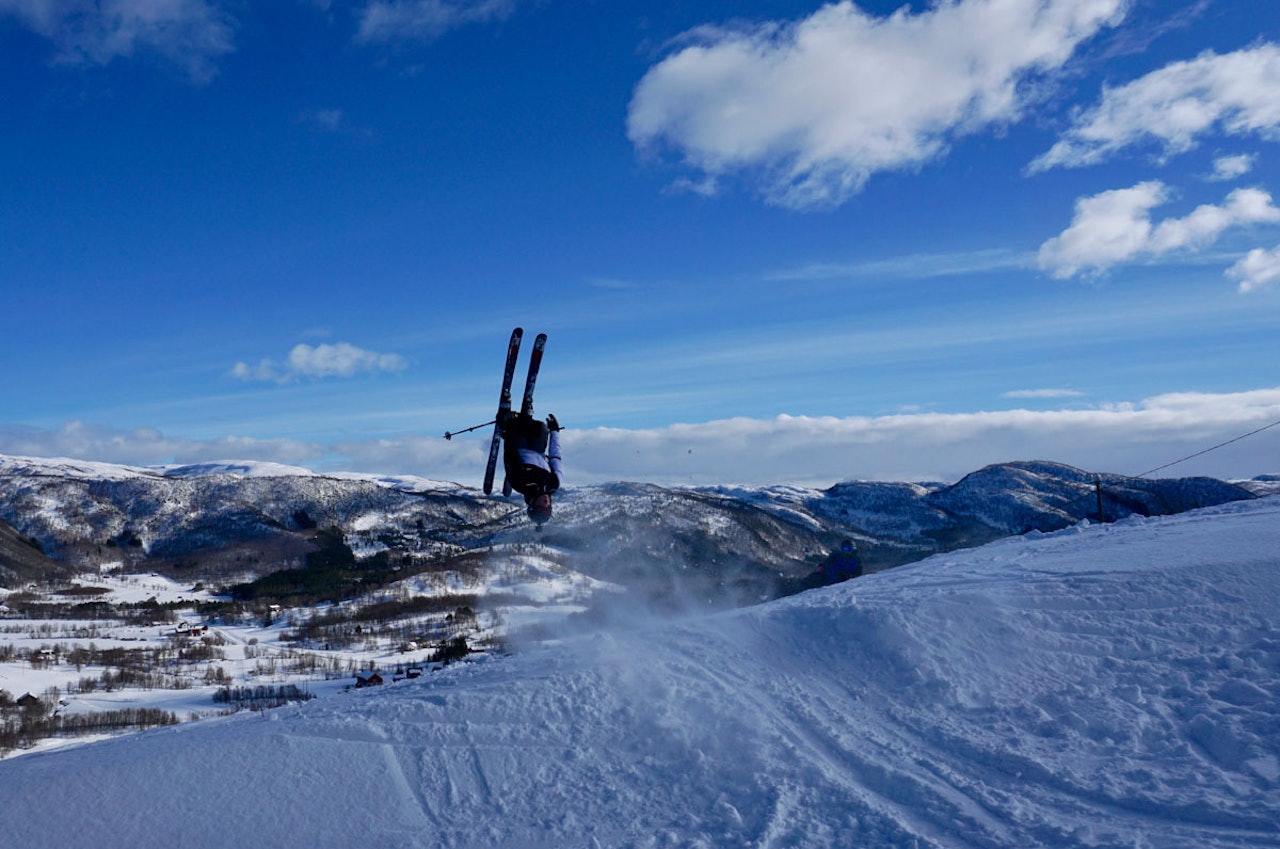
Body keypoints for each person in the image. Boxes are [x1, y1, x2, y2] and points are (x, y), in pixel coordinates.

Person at [500, 410, 563, 525]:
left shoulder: (520, 484)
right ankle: (526, 414)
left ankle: (519, 418)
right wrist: (554, 431)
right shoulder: (554, 484)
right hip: (538, 447)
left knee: (521, 425)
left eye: (540, 506)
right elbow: (555, 457)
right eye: (547, 507)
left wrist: (508, 429)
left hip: (519, 443)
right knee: (540, 426)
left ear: (533, 503)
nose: (545, 503)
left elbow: (509, 455)